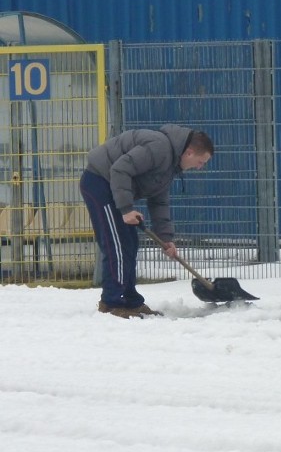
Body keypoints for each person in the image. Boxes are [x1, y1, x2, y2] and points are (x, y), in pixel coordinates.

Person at [80, 125, 214, 318]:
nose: (200, 167)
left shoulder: (170, 164)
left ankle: (130, 300)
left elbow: (159, 201)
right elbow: (119, 170)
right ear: (190, 152)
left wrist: (166, 238)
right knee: (116, 245)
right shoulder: (158, 148)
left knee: (130, 243)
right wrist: (126, 209)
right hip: (99, 183)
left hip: (113, 189)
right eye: (201, 161)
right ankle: (111, 303)